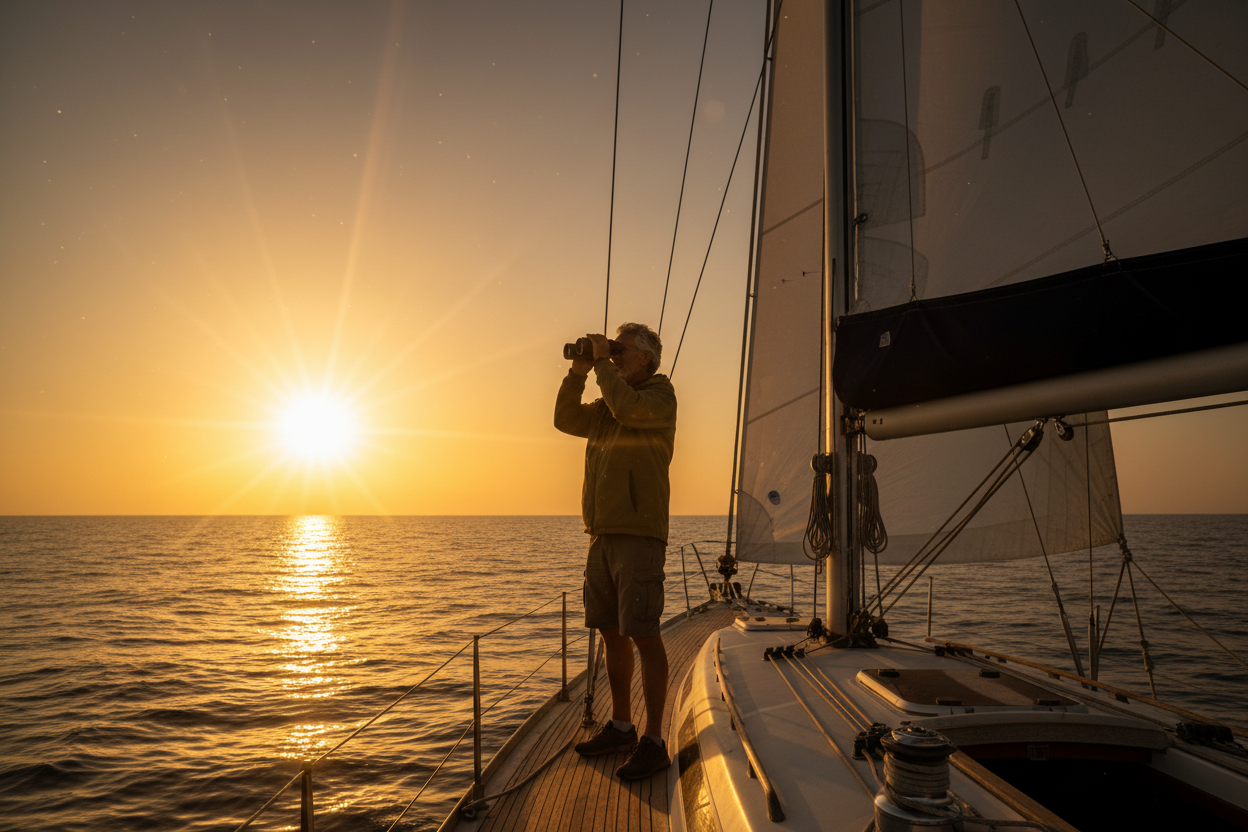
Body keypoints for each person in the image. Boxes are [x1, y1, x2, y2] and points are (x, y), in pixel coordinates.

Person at [554, 322, 677, 780]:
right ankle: (624, 726)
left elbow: (629, 409)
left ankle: (655, 740)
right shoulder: (608, 404)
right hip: (602, 534)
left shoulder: (658, 398)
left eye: (623, 349)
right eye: (614, 349)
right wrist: (579, 371)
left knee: (644, 635)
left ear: (646, 356)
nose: (616, 355)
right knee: (611, 632)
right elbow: (565, 419)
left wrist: (602, 362)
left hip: (640, 535)